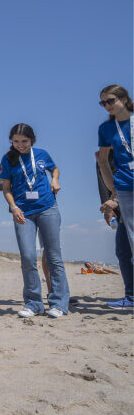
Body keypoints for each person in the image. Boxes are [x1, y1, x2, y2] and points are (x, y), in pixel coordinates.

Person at [0, 123, 69, 318]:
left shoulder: (42, 154)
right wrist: (14, 207)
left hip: (47, 209)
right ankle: (33, 303)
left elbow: (54, 170)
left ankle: (59, 304)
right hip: (23, 213)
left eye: (24, 141)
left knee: (54, 257)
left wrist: (55, 180)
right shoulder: (8, 159)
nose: (20, 145)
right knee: (28, 257)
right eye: (16, 141)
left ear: (32, 140)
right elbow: (6, 188)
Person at [97, 84, 134, 261]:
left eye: (111, 100)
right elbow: (102, 161)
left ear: (125, 99)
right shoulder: (106, 129)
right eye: (103, 103)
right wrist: (114, 191)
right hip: (125, 187)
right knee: (132, 237)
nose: (107, 105)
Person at [96, 150, 133, 308]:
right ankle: (131, 296)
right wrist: (109, 204)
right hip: (122, 208)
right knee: (123, 251)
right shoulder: (104, 153)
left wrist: (115, 200)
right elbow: (104, 182)